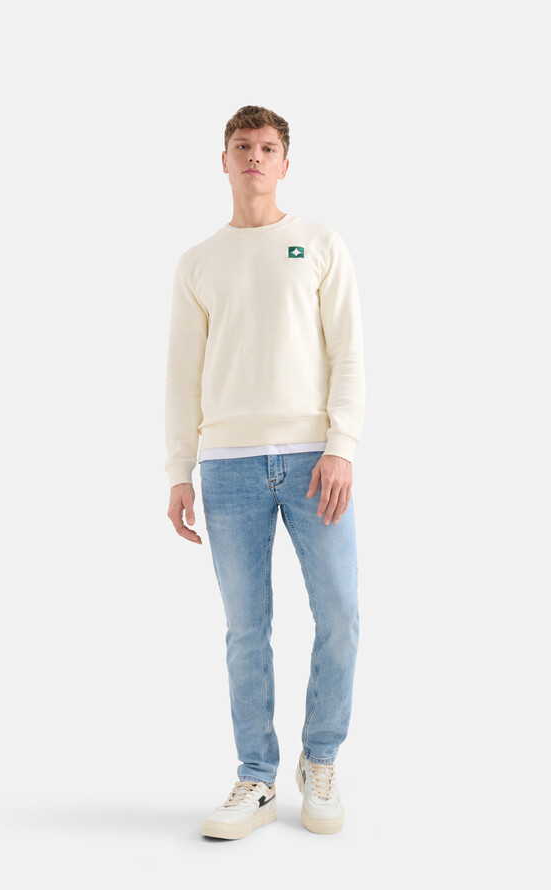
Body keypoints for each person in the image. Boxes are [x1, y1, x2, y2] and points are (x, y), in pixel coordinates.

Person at [164, 105, 366, 839]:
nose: (255, 156)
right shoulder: (198, 262)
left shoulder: (320, 244)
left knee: (339, 613)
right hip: (228, 468)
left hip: (315, 461)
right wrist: (179, 469)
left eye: (268, 147)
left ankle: (321, 760)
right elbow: (183, 374)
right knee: (246, 630)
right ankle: (256, 775)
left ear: (285, 163)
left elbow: (348, 352)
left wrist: (342, 445)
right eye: (242, 146)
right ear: (224, 160)